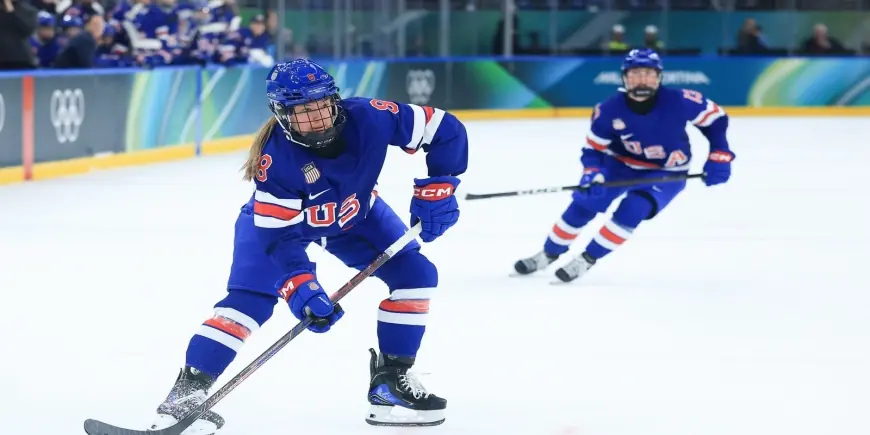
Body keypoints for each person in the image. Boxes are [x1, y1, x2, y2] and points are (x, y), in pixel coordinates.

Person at [149, 59, 468, 433]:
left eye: (321, 106)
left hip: (353, 215)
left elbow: (444, 127)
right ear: (282, 115)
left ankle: (389, 383)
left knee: (416, 274)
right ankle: (186, 393)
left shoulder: (371, 116)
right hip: (280, 228)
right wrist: (299, 284)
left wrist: (440, 185)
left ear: (335, 100)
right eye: (303, 112)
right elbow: (278, 238)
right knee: (249, 302)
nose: (317, 119)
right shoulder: (276, 161)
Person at [513, 49, 734, 283]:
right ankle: (548, 253)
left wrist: (719, 153)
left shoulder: (680, 101)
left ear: (658, 77)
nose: (642, 79)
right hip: (619, 164)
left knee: (634, 208)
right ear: (625, 77)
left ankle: (587, 259)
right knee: (584, 204)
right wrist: (592, 173)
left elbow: (716, 120)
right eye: (636, 73)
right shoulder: (608, 110)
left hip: (667, 171)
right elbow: (593, 150)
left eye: (648, 73)